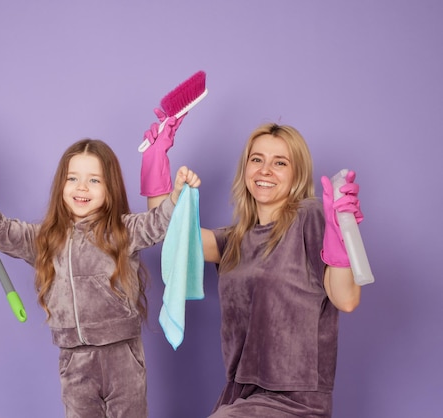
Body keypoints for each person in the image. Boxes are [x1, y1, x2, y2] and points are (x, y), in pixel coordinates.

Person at [0, 138, 200, 418]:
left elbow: (157, 224)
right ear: (61, 186)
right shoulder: (47, 238)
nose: (81, 187)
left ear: (110, 189)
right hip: (75, 360)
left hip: (122, 357)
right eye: (73, 178)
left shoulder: (123, 231)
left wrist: (175, 196)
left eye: (94, 181)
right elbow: (3, 231)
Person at [146, 122, 365, 417]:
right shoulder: (235, 240)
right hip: (239, 395)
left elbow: (346, 299)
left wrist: (340, 244)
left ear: (297, 173)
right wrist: (154, 163)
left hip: (296, 401)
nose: (265, 170)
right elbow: (170, 236)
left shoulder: (311, 218)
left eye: (280, 163)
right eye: (257, 159)